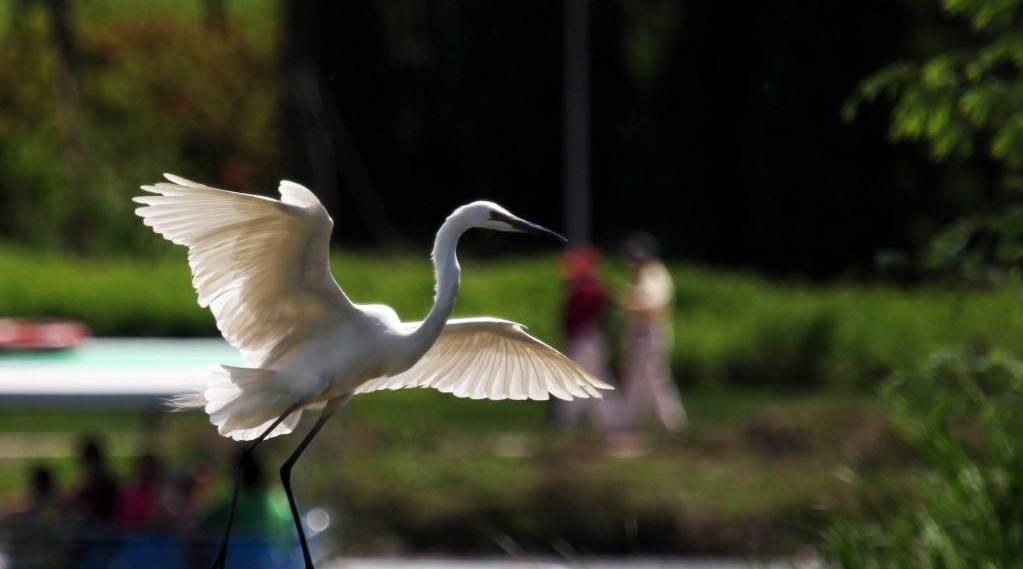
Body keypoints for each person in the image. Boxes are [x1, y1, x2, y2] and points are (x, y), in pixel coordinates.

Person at [620, 233, 686, 433]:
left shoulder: (655, 274)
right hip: (641, 335)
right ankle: (629, 425)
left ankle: (673, 424)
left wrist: (627, 301)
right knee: (636, 380)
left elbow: (653, 306)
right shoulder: (643, 276)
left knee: (656, 380)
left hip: (652, 334)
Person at [555, 246, 619, 432]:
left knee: (576, 382)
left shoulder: (589, 289)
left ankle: (566, 422)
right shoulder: (587, 287)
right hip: (587, 339)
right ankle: (614, 423)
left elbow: (574, 318)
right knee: (594, 382)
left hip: (586, 339)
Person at [0, 465, 67, 569]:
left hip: (24, 562)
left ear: (33, 486)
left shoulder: (21, 514)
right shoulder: (64, 510)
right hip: (53, 561)